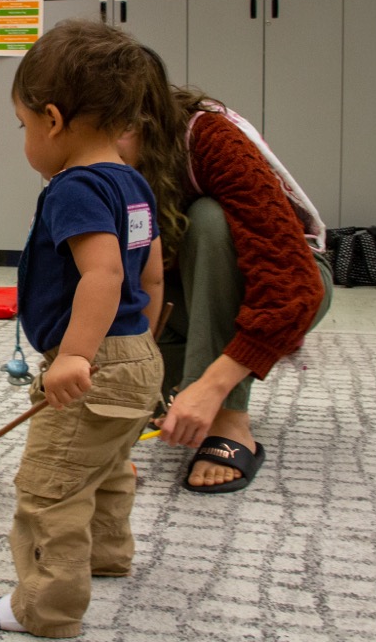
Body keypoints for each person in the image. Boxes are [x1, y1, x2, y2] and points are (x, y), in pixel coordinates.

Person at [0, 20, 164, 638]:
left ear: (53, 121)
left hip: (95, 362)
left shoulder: (73, 187)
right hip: (138, 353)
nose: (26, 139)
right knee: (109, 465)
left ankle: (46, 608)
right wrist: (137, 345)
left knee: (50, 486)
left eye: (24, 125)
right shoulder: (134, 183)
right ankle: (107, 554)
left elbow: (104, 273)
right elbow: (154, 276)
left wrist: (78, 355)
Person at [118, 47, 333, 494]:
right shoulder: (91, 170)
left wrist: (212, 388)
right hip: (181, 305)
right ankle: (191, 386)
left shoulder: (209, 136)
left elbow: (294, 288)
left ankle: (231, 422)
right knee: (139, 409)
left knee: (210, 220)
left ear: (137, 122)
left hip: (285, 282)